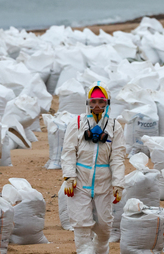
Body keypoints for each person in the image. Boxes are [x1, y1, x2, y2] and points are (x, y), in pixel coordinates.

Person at [61, 82, 125, 254]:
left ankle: (101, 249)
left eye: (101, 102)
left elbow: (118, 157)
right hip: (79, 180)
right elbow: (68, 151)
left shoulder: (114, 126)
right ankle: (84, 251)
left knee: (104, 226)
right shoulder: (77, 123)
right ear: (88, 103)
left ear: (107, 103)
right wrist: (69, 176)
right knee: (81, 223)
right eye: (93, 102)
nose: (97, 106)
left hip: (104, 182)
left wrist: (118, 183)